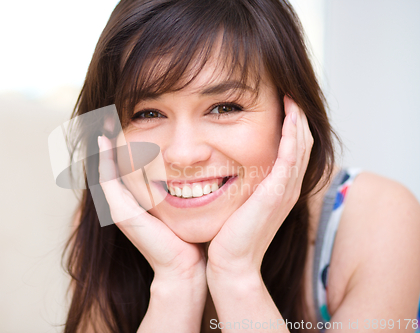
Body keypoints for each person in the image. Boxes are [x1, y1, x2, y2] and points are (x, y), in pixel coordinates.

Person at [62, 0, 420, 332]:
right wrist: (176, 282)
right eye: (148, 114)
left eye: (224, 108)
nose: (183, 155)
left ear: (290, 116)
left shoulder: (376, 218)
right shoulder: (115, 219)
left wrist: (236, 274)